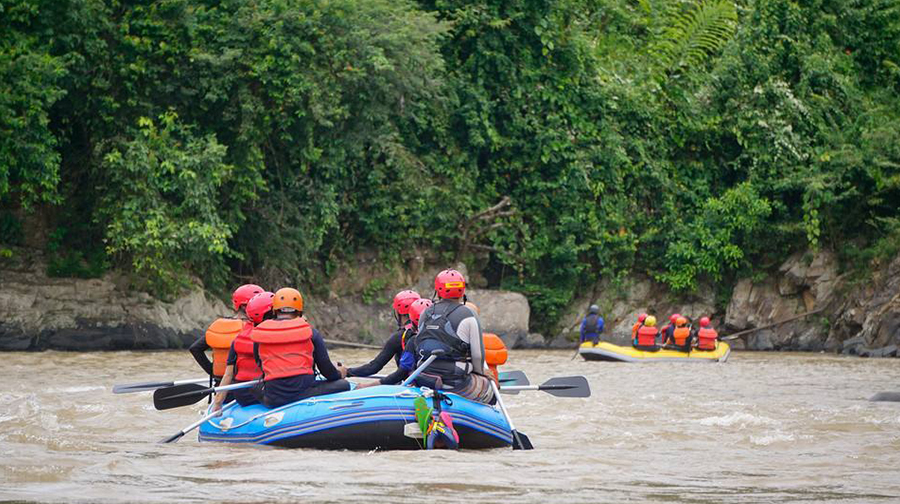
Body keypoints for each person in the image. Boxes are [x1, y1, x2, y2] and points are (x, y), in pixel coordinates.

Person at [251, 287, 350, 408]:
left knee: (254, 387)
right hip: (304, 391)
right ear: (299, 312)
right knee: (343, 385)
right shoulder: (311, 333)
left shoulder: (261, 334)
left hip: (275, 397)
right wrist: (340, 374)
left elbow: (260, 364)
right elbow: (327, 371)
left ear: (274, 311)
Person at [410, 269, 494, 404]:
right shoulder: (469, 314)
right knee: (490, 390)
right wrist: (480, 373)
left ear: (438, 290)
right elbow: (477, 355)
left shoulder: (425, 312)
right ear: (462, 290)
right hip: (456, 383)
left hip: (425, 377)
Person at [210, 291, 274, 413]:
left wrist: (218, 403)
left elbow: (228, 375)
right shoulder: (271, 339)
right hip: (262, 393)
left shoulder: (238, 339)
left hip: (241, 395)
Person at [340, 290, 420, 385]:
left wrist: (347, 372)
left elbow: (373, 367)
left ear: (398, 313)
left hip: (407, 385)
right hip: (425, 382)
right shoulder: (427, 331)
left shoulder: (399, 337)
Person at [190, 284, 263, 381]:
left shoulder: (220, 325)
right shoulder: (252, 328)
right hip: (244, 385)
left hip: (221, 384)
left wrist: (213, 372)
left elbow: (195, 348)